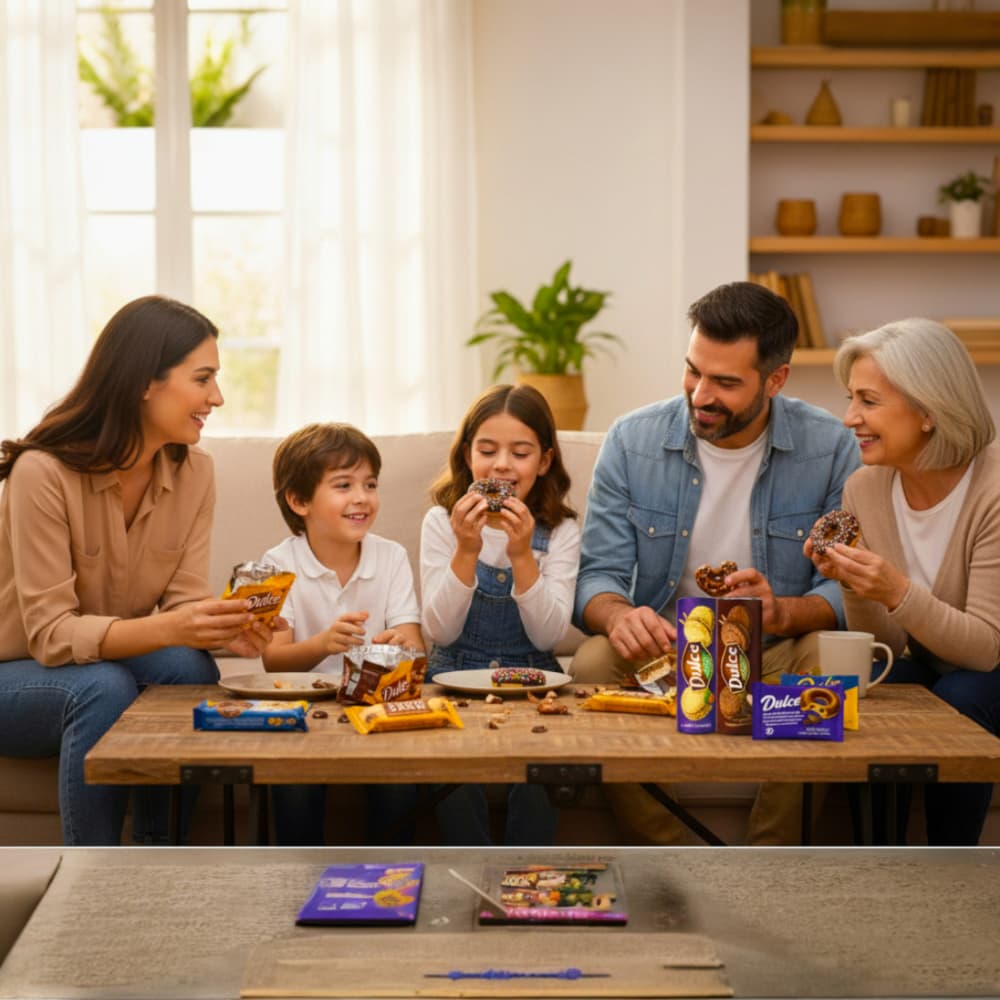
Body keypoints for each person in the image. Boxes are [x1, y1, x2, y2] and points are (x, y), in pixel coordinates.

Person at [571, 280, 860, 845]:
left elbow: (842, 591)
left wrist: (780, 612)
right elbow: (596, 576)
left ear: (775, 380)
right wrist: (618, 615)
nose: (700, 394)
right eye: (693, 371)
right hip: (666, 655)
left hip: (776, 652)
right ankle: (679, 858)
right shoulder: (632, 441)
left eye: (725, 382)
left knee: (830, 660)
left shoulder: (829, 447)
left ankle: (766, 863)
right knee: (590, 662)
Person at [0, 295, 278, 846]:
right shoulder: (43, 473)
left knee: (189, 665)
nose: (216, 397)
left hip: (101, 662)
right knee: (102, 686)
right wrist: (178, 627)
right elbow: (52, 636)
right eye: (203, 379)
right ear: (144, 382)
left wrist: (223, 628)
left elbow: (181, 606)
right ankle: (93, 878)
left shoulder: (195, 473)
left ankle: (160, 854)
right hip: (15, 672)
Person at [806, 317, 1000, 845]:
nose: (849, 419)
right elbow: (889, 647)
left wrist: (895, 589)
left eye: (868, 401)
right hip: (932, 664)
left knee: (964, 691)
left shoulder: (993, 492)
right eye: (851, 399)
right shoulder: (864, 488)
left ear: (930, 411)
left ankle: (952, 866)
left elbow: (984, 650)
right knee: (861, 694)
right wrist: (852, 580)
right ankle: (877, 861)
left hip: (988, 672)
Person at [420, 383, 580, 844]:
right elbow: (440, 631)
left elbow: (549, 636)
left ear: (544, 461)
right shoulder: (440, 523)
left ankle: (527, 869)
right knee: (449, 769)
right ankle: (472, 863)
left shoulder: (561, 530)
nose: (502, 465)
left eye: (521, 452)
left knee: (544, 768)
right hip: (454, 671)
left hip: (533, 676)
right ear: (468, 455)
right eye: (487, 450)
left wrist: (523, 554)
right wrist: (466, 550)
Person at [261, 422, 423, 845]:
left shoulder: (390, 557)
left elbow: (413, 643)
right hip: (306, 709)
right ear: (299, 501)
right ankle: (295, 876)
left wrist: (398, 647)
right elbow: (272, 660)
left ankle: (390, 878)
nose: (362, 498)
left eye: (370, 484)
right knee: (293, 780)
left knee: (399, 779)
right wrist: (322, 644)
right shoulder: (277, 563)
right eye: (343, 485)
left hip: (377, 705)